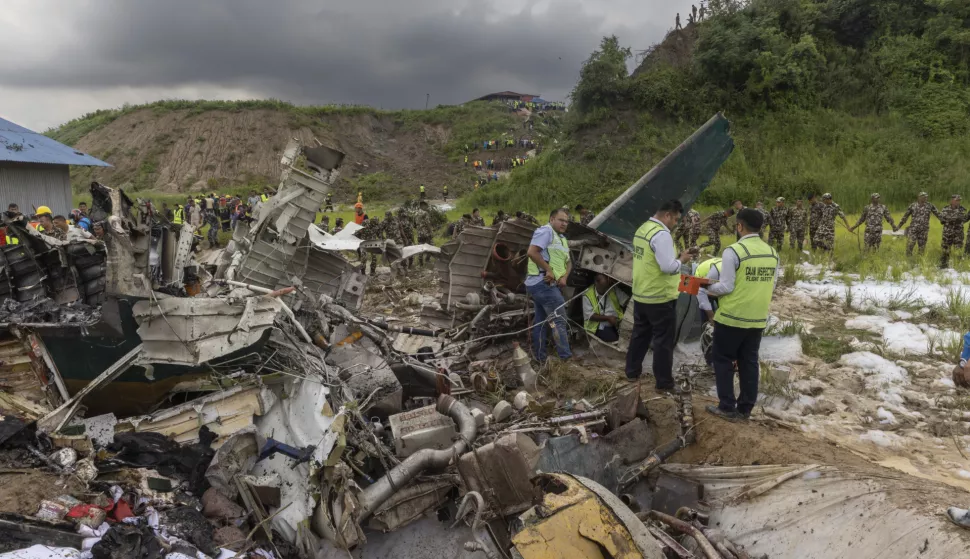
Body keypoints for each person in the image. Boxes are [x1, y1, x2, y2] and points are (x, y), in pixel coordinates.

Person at [705, 208, 780, 421]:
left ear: (739, 226)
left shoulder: (733, 251)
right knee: (749, 362)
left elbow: (726, 286)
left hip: (731, 316)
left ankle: (727, 406)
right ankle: (745, 409)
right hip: (757, 318)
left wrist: (708, 288)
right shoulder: (772, 253)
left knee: (722, 359)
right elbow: (772, 285)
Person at [626, 200, 694, 391]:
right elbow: (667, 267)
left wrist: (675, 258)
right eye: (675, 219)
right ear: (667, 215)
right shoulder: (661, 234)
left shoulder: (643, 229)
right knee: (663, 341)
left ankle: (631, 372)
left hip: (641, 293)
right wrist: (682, 259)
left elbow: (651, 259)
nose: (675, 224)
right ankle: (664, 383)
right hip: (660, 297)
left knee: (640, 335)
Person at [525, 208, 573, 361]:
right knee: (559, 320)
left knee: (542, 321)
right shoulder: (546, 231)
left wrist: (564, 277)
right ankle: (566, 359)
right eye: (561, 220)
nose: (564, 223)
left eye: (566, 221)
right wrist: (549, 271)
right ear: (552, 219)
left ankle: (540, 358)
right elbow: (532, 252)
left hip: (548, 285)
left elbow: (569, 261)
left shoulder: (561, 239)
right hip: (542, 283)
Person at [582, 274, 628, 343]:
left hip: (616, 322)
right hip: (598, 325)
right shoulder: (587, 294)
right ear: (596, 283)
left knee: (627, 339)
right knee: (615, 340)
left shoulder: (612, 288)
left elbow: (626, 301)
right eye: (603, 287)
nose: (606, 290)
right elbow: (590, 315)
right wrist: (608, 318)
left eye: (607, 286)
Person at [896, 191, 942, 256]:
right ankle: (908, 258)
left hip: (924, 230)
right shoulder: (913, 205)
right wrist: (899, 226)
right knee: (910, 244)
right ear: (919, 197)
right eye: (923, 197)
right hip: (913, 229)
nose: (925, 198)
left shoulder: (930, 206)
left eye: (926, 197)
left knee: (922, 247)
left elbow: (938, 214)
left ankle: (920, 260)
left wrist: (945, 221)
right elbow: (905, 216)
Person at [938, 195, 969, 268]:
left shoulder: (963, 209)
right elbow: (942, 219)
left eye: (959, 200)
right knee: (945, 249)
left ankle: (958, 265)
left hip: (958, 233)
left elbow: (964, 220)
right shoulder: (945, 209)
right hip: (947, 233)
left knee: (958, 249)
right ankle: (944, 265)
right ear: (952, 201)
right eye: (956, 200)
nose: (958, 202)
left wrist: (953, 219)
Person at [415, 202, 436, 266]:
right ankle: (427, 259)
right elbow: (428, 223)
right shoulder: (425, 213)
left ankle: (421, 263)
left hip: (419, 234)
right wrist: (431, 232)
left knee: (420, 247)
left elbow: (415, 224)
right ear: (422, 205)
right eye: (426, 206)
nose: (426, 208)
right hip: (426, 234)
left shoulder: (416, 213)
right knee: (431, 246)